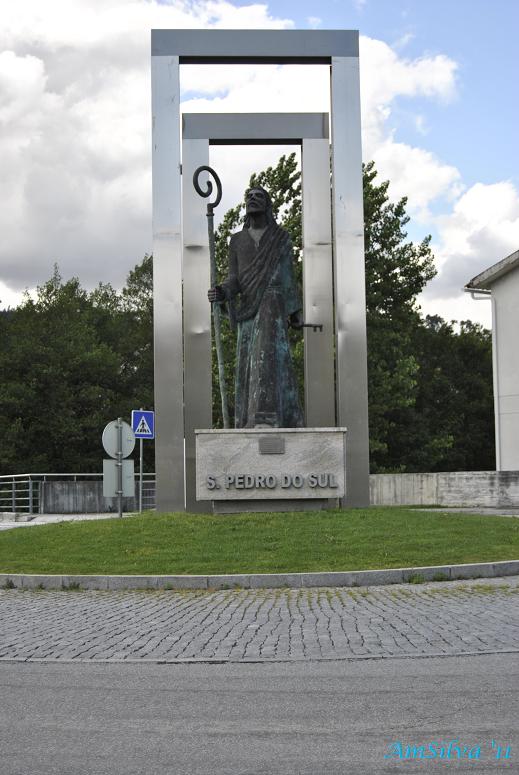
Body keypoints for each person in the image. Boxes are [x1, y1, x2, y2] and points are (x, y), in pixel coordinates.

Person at [208, 186, 304, 428]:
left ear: (268, 205)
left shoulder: (281, 238)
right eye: (249, 196)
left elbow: (288, 277)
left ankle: (267, 416)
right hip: (248, 309)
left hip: (273, 303)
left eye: (258, 196)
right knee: (250, 363)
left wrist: (295, 312)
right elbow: (234, 279)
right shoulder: (237, 241)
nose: (252, 199)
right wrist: (222, 292)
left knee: (268, 355)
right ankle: (248, 418)